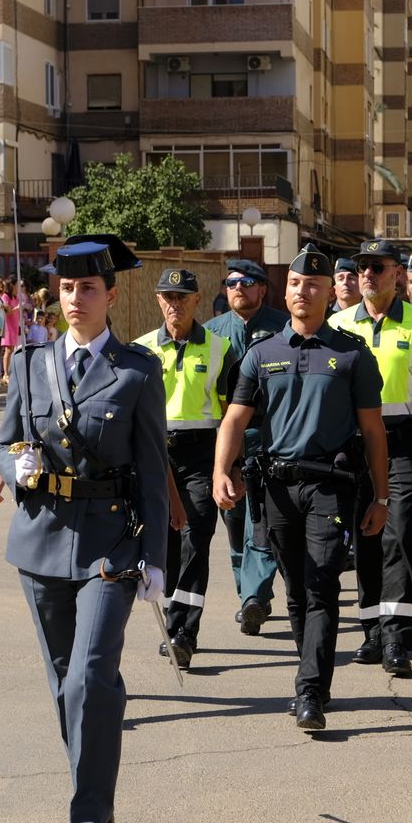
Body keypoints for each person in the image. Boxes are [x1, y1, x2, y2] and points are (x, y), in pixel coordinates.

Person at [0, 233, 167, 823]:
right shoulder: (27, 363)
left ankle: (86, 819)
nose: (75, 299)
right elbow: (5, 442)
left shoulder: (137, 371)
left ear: (111, 296)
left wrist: (157, 560)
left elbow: (152, 469)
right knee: (66, 685)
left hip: (110, 544)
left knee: (92, 675)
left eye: (87, 288)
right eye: (66, 288)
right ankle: (96, 792)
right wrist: (17, 468)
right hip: (40, 542)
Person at [214, 244, 388, 730]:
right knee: (295, 592)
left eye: (313, 284)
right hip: (276, 488)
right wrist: (220, 470)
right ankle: (314, 677)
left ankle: (309, 690)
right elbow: (234, 420)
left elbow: (373, 431)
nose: (302, 292)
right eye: (295, 284)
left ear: (330, 293)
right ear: (285, 291)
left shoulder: (352, 354)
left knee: (322, 585)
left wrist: (380, 495)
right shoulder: (261, 354)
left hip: (329, 488)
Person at [327, 239, 412, 676]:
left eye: (378, 267)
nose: (368, 275)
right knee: (365, 537)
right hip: (352, 444)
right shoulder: (336, 324)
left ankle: (398, 636)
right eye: (362, 268)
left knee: (400, 532)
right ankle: (372, 629)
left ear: (397, 273)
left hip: (404, 441)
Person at [133, 268, 235, 670]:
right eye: (167, 297)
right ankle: (177, 617)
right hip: (155, 455)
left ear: (197, 300)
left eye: (182, 297)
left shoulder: (220, 348)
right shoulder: (140, 350)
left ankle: (183, 633)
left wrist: (229, 467)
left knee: (196, 538)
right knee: (164, 544)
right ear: (158, 301)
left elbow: (232, 414)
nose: (174, 304)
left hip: (199, 456)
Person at [204, 258, 289, 635]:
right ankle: (248, 596)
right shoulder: (210, 333)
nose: (239, 288)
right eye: (232, 282)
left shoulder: (282, 327)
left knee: (263, 520)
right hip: (226, 438)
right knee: (235, 522)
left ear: (262, 289)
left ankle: (256, 595)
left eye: (247, 282)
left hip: (269, 437)